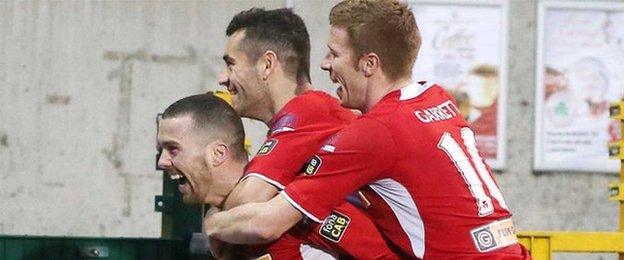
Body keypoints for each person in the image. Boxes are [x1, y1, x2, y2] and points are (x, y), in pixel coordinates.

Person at [205, 1, 530, 259]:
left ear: (369, 64)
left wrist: (212, 224)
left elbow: (265, 224)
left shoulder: (374, 132)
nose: (324, 64)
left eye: (334, 54)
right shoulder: (436, 98)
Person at [212, 7, 398, 259]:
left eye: (231, 65)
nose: (223, 78)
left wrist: (212, 219)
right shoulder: (309, 115)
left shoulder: (310, 111)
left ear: (267, 65)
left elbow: (247, 202)